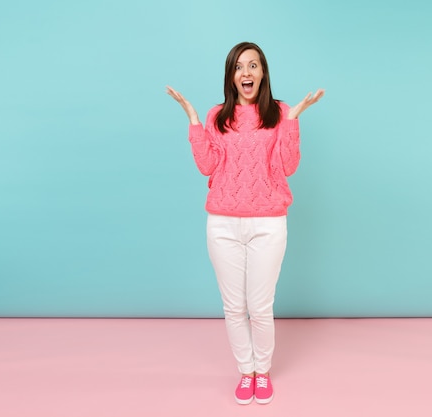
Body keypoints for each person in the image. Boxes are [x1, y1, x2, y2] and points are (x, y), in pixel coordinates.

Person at [166, 41, 323, 405]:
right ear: (231, 76)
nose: (246, 73)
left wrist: (294, 119)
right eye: (239, 67)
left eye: (253, 66)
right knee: (234, 307)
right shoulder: (217, 115)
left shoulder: (279, 113)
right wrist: (192, 117)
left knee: (260, 305)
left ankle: (263, 372)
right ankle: (246, 371)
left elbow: (288, 166)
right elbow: (206, 166)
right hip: (222, 224)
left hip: (268, 223)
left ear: (263, 73)